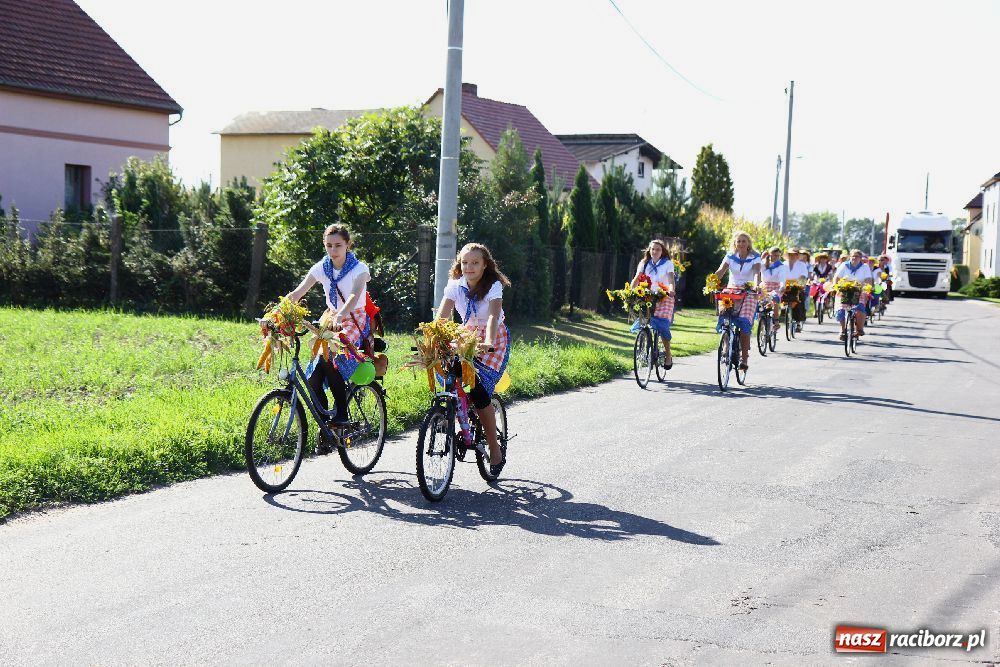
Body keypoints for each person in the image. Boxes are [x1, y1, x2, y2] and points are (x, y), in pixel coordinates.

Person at [286, 224, 372, 452]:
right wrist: (277, 313)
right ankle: (327, 426)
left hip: (354, 318)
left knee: (330, 357)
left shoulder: (359, 269)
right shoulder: (322, 267)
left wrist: (341, 315)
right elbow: (298, 292)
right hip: (331, 318)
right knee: (312, 377)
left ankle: (341, 414)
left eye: (338, 246)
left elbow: (354, 296)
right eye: (329, 246)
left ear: (348, 245)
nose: (333, 251)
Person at [437, 243, 511, 476]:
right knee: (449, 372)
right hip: (466, 337)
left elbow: (492, 317)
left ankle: (494, 446)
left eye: (475, 263)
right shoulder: (455, 286)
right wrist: (434, 338)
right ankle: (451, 414)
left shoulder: (493, 286)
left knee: (478, 390)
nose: (469, 267)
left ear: (485, 265)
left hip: (493, 341)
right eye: (465, 262)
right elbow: (442, 317)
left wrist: (488, 340)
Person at [714, 230, 762, 370]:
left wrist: (756, 285)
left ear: (748, 244)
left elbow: (756, 273)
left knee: (744, 322)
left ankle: (744, 358)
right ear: (735, 243)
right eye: (738, 241)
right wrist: (711, 282)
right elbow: (721, 271)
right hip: (732, 290)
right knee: (725, 318)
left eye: (744, 241)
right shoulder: (730, 256)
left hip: (749, 291)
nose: (741, 243)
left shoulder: (755, 257)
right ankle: (725, 345)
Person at [631, 239, 676, 369]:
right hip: (647, 296)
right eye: (652, 249)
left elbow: (671, 279)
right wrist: (630, 290)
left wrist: (671, 290)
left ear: (662, 251)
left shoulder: (667, 264)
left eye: (658, 249)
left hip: (664, 297)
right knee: (645, 321)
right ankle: (646, 343)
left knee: (662, 328)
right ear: (649, 251)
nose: (655, 251)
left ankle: (668, 355)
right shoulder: (644, 263)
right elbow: (637, 278)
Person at [833, 248, 874, 340]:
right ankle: (843, 330)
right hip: (844, 289)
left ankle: (859, 328)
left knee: (860, 307)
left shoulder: (864, 267)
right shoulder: (844, 265)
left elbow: (868, 279)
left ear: (860, 258)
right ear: (849, 257)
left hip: (859, 290)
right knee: (841, 308)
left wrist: (867, 288)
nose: (854, 258)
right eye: (853, 256)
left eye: (857, 256)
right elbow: (837, 277)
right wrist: (836, 287)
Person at [759, 246, 787, 333]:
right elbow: (756, 269)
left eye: (778, 256)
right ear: (769, 255)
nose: (775, 257)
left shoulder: (781, 266)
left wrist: (782, 286)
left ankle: (776, 321)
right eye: (774, 255)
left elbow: (782, 278)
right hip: (764, 287)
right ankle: (761, 321)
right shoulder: (764, 264)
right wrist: (761, 258)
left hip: (776, 287)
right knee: (759, 301)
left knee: (775, 298)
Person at [785, 248, 810, 332]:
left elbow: (803, 276)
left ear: (797, 255)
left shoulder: (801, 265)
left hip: (797, 285)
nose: (792, 256)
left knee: (799, 299)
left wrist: (799, 285)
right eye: (790, 254)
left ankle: (798, 321)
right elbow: (780, 275)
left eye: (794, 254)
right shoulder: (783, 264)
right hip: (785, 286)